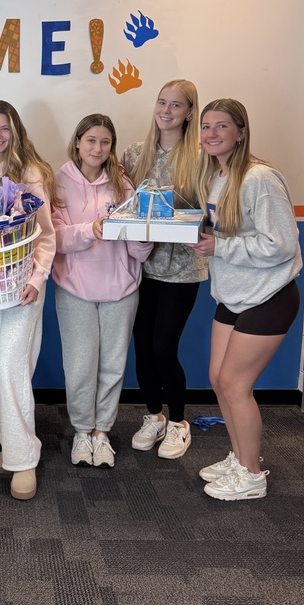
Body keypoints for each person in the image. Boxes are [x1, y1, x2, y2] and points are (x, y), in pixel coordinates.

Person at [191, 99, 301, 501]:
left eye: (222, 126)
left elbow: (283, 244)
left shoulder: (259, 178)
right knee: (219, 380)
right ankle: (239, 457)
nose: (212, 134)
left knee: (236, 386)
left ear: (240, 132)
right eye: (206, 126)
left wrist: (220, 247)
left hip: (268, 297)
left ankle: (252, 476)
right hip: (235, 296)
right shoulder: (216, 178)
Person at [52, 114, 154, 469]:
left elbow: (139, 250)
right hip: (75, 289)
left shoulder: (124, 185)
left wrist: (142, 235)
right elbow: (56, 240)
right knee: (80, 367)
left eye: (105, 142)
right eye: (91, 140)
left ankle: (102, 433)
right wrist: (91, 230)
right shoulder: (57, 183)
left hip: (122, 289)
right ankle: (82, 432)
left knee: (113, 366)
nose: (97, 148)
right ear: (78, 142)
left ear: (112, 147)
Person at [0, 101, 57, 501]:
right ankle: (13, 445)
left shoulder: (32, 173)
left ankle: (24, 461)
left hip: (23, 288)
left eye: (4, 128)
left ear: (15, 131)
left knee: (11, 366)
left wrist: (38, 279)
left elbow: (47, 234)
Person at [122, 79, 207, 460]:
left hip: (182, 268)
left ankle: (178, 422)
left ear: (190, 112)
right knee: (142, 347)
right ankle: (153, 415)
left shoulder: (202, 156)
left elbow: (212, 210)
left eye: (176, 105)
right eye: (161, 102)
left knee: (163, 347)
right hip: (142, 265)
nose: (167, 111)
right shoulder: (134, 154)